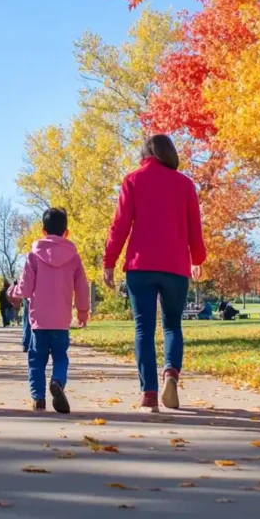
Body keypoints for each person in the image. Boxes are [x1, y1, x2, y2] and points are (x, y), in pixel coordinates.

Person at [103, 134, 206, 414]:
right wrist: (197, 259)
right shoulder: (185, 184)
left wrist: (109, 260)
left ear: (145, 152)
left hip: (141, 266)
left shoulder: (133, 180)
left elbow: (120, 225)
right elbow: (194, 227)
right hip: (175, 266)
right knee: (172, 325)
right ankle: (171, 374)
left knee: (143, 330)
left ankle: (148, 394)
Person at [9, 208, 90, 413]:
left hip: (39, 320)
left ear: (43, 231)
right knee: (61, 357)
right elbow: (82, 287)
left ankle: (38, 398)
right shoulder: (74, 257)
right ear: (67, 232)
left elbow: (26, 288)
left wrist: (13, 291)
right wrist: (82, 312)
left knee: (36, 360)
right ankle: (57, 382)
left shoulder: (33, 255)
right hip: (62, 319)